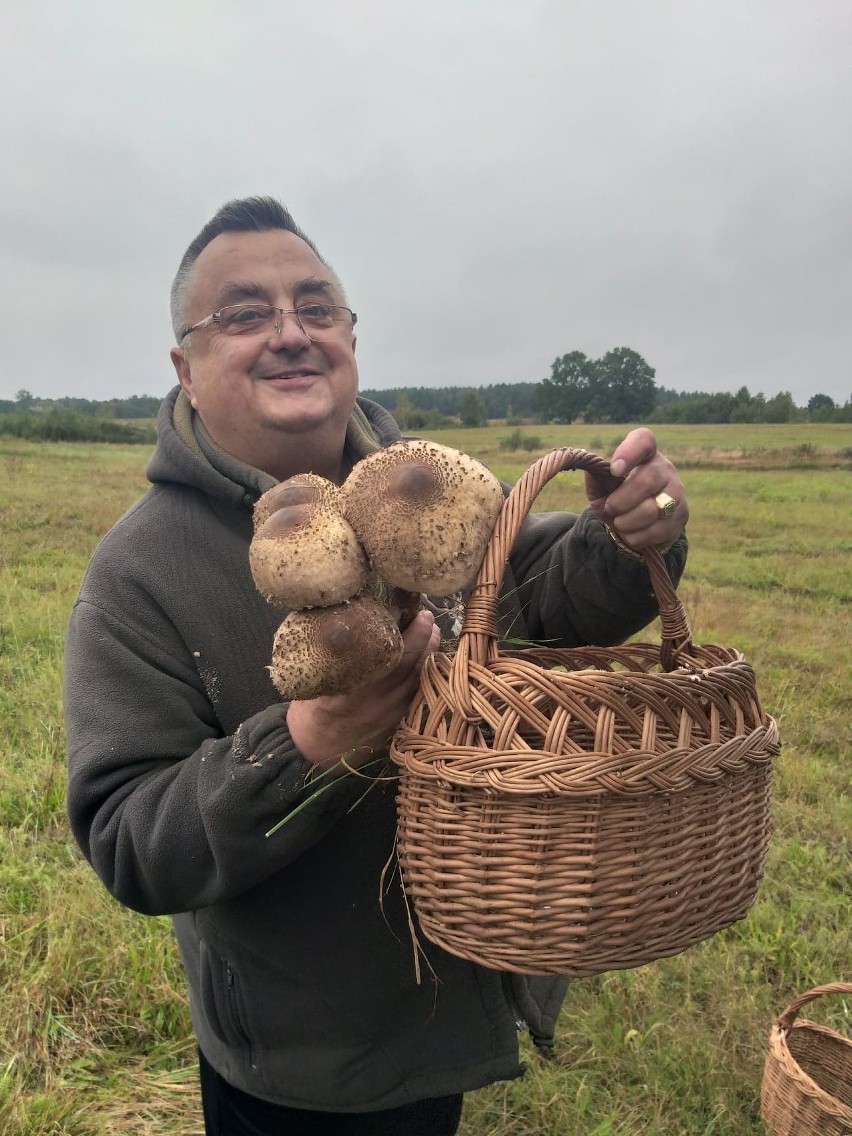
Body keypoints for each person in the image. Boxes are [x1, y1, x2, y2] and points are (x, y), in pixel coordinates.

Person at [64, 196, 689, 1136]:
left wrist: (624, 536)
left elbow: (552, 597)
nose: (291, 334)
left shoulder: (435, 488)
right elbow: (128, 839)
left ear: (350, 338)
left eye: (318, 308)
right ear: (184, 368)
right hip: (297, 1061)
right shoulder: (138, 574)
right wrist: (310, 742)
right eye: (244, 313)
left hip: (443, 1000)